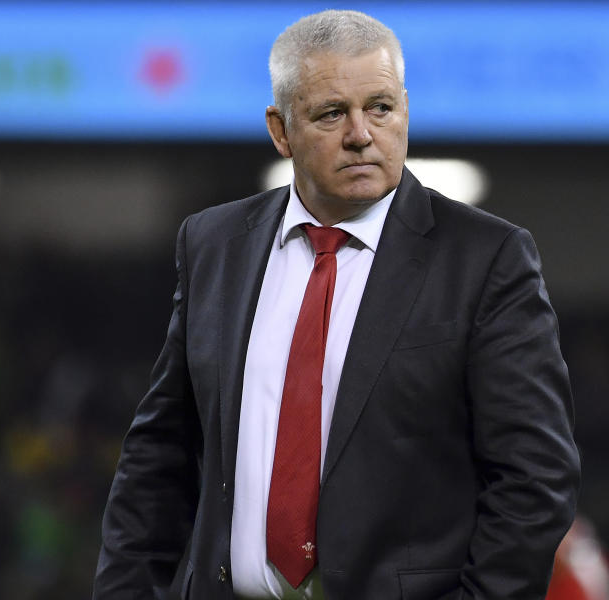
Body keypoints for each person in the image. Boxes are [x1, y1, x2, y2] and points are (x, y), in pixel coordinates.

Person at [93, 9, 580, 600]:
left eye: (381, 107)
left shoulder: (485, 257)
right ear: (281, 130)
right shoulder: (214, 244)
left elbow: (535, 479)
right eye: (331, 113)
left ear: (406, 109)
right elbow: (158, 457)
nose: (361, 133)